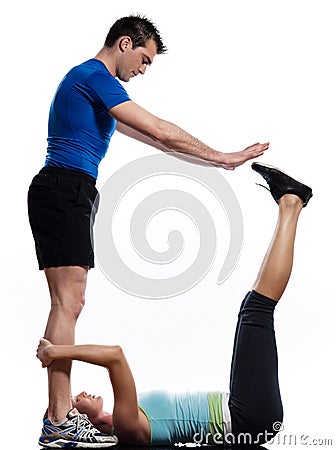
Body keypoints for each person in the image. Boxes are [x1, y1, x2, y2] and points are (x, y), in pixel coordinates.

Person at [27, 13, 269, 445]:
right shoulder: (94, 76)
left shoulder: (98, 93)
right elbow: (161, 129)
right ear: (124, 43)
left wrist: (218, 161)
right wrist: (225, 155)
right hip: (63, 188)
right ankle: (58, 420)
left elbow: (158, 142)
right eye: (144, 59)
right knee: (69, 301)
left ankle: (58, 418)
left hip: (72, 190)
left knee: (72, 301)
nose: (142, 70)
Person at [36, 164, 313, 447]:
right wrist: (55, 351)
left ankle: (288, 204)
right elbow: (114, 356)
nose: (79, 394)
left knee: (252, 308)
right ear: (84, 424)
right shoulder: (127, 427)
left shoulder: (128, 419)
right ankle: (291, 202)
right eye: (73, 403)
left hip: (242, 410)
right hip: (247, 418)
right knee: (257, 310)